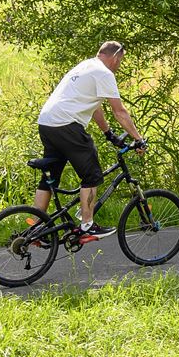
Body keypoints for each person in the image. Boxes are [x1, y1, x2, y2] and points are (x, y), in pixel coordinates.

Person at [33, 41, 144, 243]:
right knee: (91, 175)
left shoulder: (85, 66)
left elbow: (95, 107)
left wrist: (109, 133)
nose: (119, 65)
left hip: (47, 123)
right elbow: (119, 111)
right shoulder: (104, 73)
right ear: (116, 57)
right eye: (120, 61)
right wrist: (138, 139)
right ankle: (87, 226)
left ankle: (35, 228)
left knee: (50, 177)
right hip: (66, 124)